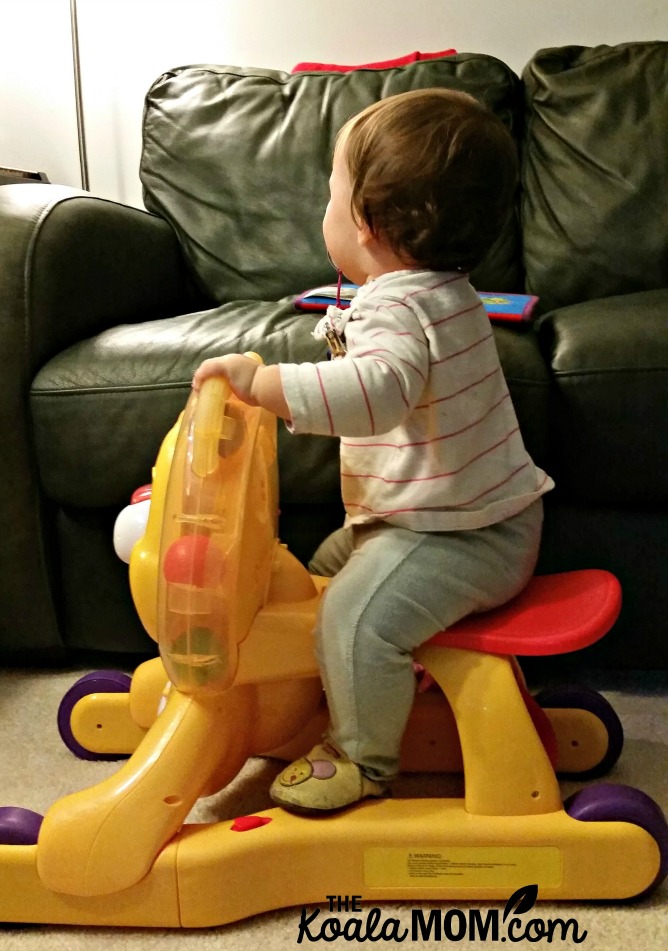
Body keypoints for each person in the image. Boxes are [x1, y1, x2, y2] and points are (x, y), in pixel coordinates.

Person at [193, 88, 553, 813]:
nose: (324, 209)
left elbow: (377, 390)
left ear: (368, 220)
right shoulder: (445, 290)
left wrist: (265, 383)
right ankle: (350, 687)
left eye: (332, 191)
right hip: (448, 520)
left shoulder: (395, 304)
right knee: (320, 571)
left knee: (350, 610)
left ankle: (361, 756)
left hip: (464, 536)